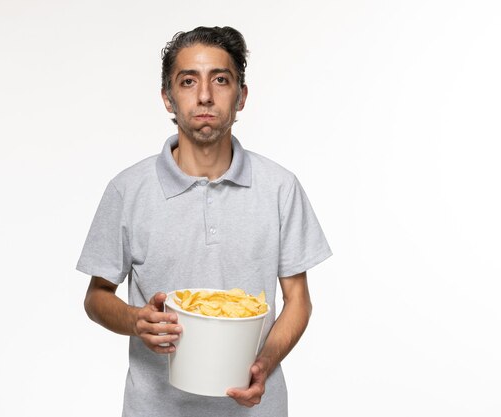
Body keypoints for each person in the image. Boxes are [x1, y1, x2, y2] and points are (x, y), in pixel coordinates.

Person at [77, 26, 332, 417]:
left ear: (241, 96)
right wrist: (135, 320)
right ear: (168, 97)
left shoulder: (280, 187)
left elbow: (299, 301)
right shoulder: (127, 190)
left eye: (221, 79)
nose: (205, 96)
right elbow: (96, 297)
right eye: (188, 81)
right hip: (155, 408)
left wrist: (263, 366)